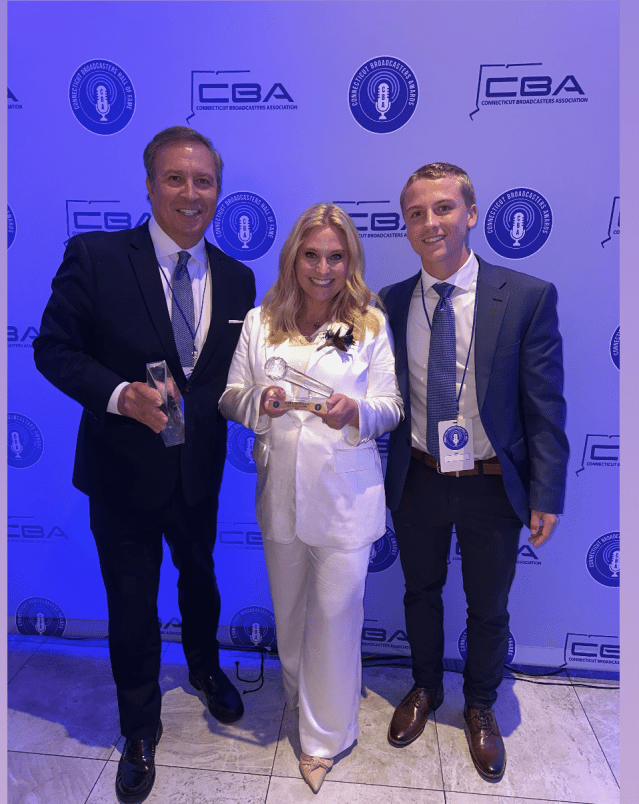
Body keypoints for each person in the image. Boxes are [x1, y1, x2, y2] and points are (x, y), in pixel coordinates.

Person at [33, 126, 256, 804]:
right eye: (175, 178)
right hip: (122, 472)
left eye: (204, 181)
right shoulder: (97, 257)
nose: (191, 193)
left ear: (218, 190)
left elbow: (229, 378)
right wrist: (117, 394)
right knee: (130, 602)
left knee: (201, 581)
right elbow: (53, 349)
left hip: (198, 471)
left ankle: (206, 669)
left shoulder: (238, 278)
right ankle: (138, 727)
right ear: (150, 184)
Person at [379, 163, 568, 781]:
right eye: (416, 213)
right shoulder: (389, 303)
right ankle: (426, 686)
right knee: (420, 593)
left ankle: (480, 702)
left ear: (471, 214)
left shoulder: (527, 297)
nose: (430, 223)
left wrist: (546, 492)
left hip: (491, 482)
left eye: (443, 208)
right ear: (405, 225)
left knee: (489, 606)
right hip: (418, 477)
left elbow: (545, 405)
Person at [219, 203, 403, 793]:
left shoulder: (369, 325)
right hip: (280, 495)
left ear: (351, 262)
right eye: (312, 255)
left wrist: (356, 412)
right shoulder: (260, 321)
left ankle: (324, 738)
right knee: (292, 616)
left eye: (336, 257)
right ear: (293, 258)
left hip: (345, 500)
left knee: (335, 618)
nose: (323, 269)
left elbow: (391, 407)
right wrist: (259, 402)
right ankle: (304, 701)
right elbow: (230, 395)